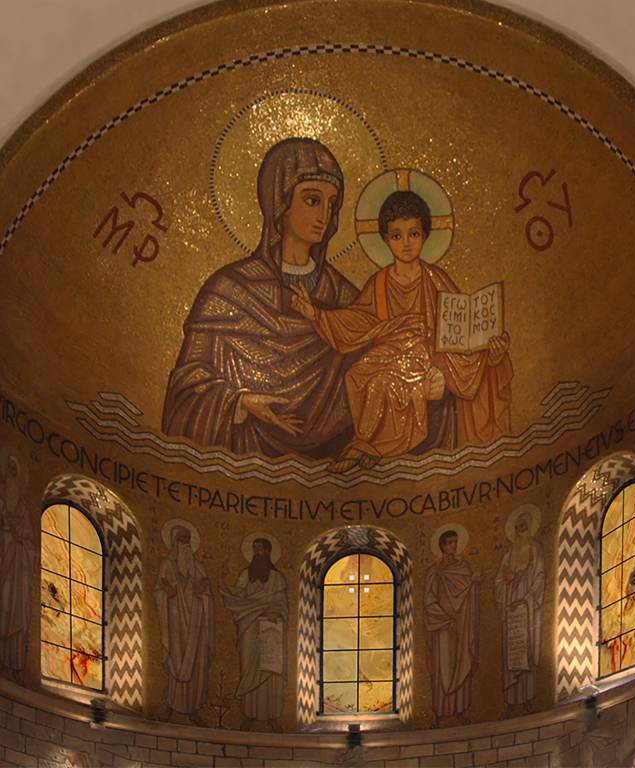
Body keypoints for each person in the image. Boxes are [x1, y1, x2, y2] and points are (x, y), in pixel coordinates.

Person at [162, 138, 358, 458]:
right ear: (279, 202)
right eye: (312, 200)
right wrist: (239, 403)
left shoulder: (343, 296)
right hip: (242, 462)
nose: (325, 214)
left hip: (334, 472)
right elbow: (188, 387)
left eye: (332, 204)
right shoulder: (229, 291)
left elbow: (382, 368)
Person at [291, 190, 513, 472]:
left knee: (386, 382)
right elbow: (359, 320)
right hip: (388, 352)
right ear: (385, 239)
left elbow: (461, 331)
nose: (406, 244)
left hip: (425, 355)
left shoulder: (436, 280)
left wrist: (488, 352)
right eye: (397, 235)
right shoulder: (380, 283)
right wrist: (316, 314)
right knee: (357, 375)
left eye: (414, 234)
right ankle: (370, 446)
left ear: (425, 236)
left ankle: (369, 448)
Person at [221, 538, 288, 732]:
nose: (257, 553)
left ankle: (272, 716)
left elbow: (282, 603)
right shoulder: (246, 575)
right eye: (254, 549)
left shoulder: (277, 578)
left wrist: (275, 612)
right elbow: (236, 595)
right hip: (249, 625)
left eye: (260, 549)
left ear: (268, 552)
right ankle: (249, 714)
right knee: (249, 665)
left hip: (271, 626)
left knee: (270, 669)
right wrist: (222, 582)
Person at [155, 524, 215, 726]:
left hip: (197, 623)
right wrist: (167, 592)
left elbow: (208, 595)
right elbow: (159, 590)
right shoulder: (167, 565)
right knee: (176, 658)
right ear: (174, 541)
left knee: (196, 663)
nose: (185, 543)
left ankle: (193, 709)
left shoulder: (198, 568)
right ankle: (171, 706)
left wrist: (202, 593)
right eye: (181, 539)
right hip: (175, 622)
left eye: (188, 539)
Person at [423, 529, 482, 727]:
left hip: (462, 625)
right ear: (442, 546)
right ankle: (440, 713)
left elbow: (470, 593)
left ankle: (460, 710)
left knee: (461, 661)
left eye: (455, 542)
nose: (454, 546)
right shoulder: (434, 571)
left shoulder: (464, 568)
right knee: (443, 669)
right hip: (442, 627)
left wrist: (475, 584)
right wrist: (443, 617)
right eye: (449, 543)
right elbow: (429, 600)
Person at [494, 510, 544, 714]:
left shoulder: (535, 550)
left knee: (527, 652)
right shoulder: (508, 556)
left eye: (523, 527)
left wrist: (526, 598)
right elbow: (498, 582)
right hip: (511, 611)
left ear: (529, 529)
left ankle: (529, 700)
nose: (520, 532)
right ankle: (512, 702)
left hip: (527, 608)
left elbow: (540, 576)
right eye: (517, 528)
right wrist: (506, 581)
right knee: (512, 655)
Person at [0, 452, 32, 683]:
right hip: (4, 562)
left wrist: (15, 533)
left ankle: (12, 663)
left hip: (16, 566)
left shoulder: (22, 508)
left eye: (14, 473)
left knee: (14, 612)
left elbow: (28, 539)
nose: (11, 477)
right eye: (8, 472)